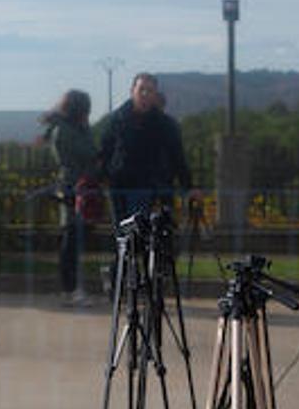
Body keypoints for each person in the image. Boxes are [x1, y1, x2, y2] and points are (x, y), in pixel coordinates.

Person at [96, 73, 190, 228]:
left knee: (138, 233)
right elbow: (105, 150)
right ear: (133, 91)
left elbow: (177, 155)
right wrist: (103, 176)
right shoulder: (116, 119)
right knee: (122, 235)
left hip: (147, 186)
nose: (145, 94)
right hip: (118, 185)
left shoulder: (165, 124)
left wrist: (187, 185)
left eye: (150, 90)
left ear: (155, 94)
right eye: (142, 89)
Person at [40, 89, 100, 307]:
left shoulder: (70, 128)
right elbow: (88, 153)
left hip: (79, 186)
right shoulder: (65, 131)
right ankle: (70, 288)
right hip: (72, 187)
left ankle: (72, 287)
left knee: (75, 237)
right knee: (71, 238)